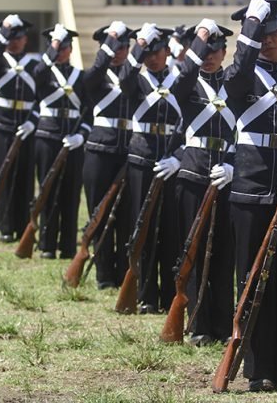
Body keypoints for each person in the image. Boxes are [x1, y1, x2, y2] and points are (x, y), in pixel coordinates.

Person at [224, 0, 277, 392]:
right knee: (251, 280)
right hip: (251, 190)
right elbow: (235, 77)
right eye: (261, 34)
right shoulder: (242, 77)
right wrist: (248, 29)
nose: (267, 40)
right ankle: (257, 367)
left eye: (272, 33)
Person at [170, 18, 235, 346]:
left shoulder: (236, 84)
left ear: (225, 53)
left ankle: (223, 325)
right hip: (193, 173)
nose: (209, 55)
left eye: (215, 50)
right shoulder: (187, 83)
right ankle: (197, 323)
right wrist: (200, 38)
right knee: (193, 251)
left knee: (224, 254)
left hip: (227, 175)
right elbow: (181, 79)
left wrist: (235, 164)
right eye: (205, 51)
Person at [119, 22, 183, 314]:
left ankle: (170, 292)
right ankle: (145, 294)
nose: (152, 58)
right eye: (148, 53)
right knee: (141, 226)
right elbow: (124, 76)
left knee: (171, 228)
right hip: (142, 158)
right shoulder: (137, 80)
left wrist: (180, 156)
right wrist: (140, 43)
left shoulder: (181, 80)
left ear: (168, 52)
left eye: (157, 52)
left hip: (170, 160)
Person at [32, 24, 92, 259]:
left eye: (66, 47)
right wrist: (52, 48)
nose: (62, 52)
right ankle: (47, 244)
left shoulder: (80, 76)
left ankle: (67, 246)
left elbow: (89, 111)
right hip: (48, 137)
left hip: (73, 139)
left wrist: (82, 135)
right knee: (48, 190)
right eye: (58, 47)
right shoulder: (44, 72)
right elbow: (38, 73)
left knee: (71, 192)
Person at [82, 20, 134, 288]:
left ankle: (122, 269)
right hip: (100, 150)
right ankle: (104, 274)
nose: (120, 51)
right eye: (115, 46)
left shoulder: (133, 75)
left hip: (127, 151)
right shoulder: (96, 76)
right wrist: (108, 44)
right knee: (98, 213)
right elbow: (90, 77)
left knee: (125, 215)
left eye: (125, 45)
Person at [0, 14, 39, 243]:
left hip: (26, 126)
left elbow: (42, 99)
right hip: (3, 125)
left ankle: (22, 225)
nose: (14, 42)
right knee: (3, 175)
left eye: (18, 37)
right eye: (11, 38)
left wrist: (33, 121)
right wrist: (2, 32)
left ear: (25, 40)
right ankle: (5, 225)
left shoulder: (35, 65)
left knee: (25, 177)